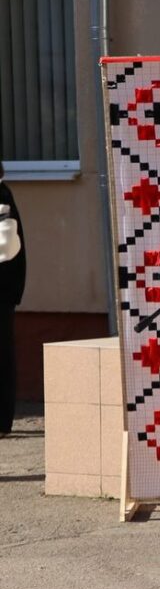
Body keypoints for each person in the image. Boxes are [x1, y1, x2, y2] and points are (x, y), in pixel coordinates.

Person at [0, 161, 27, 439]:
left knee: (2, 355)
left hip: (2, 290)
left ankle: (2, 422)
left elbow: (5, 246)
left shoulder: (2, 196)